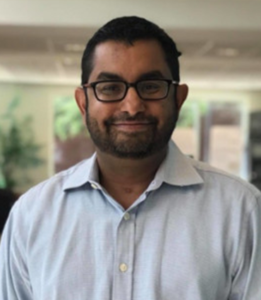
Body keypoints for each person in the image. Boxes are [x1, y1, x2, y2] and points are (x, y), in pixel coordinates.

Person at [0, 16, 260, 300]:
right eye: (110, 88)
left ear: (178, 98)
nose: (133, 106)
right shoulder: (33, 215)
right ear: (83, 102)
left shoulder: (242, 210)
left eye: (150, 86)